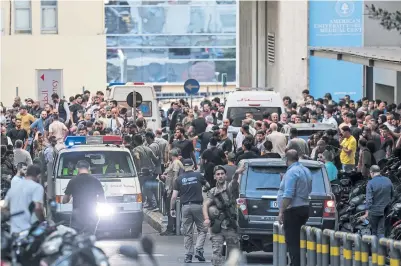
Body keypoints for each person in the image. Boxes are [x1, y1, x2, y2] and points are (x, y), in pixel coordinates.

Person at [278, 150, 312, 266]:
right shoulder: (305, 170)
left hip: (293, 210)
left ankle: (295, 264)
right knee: (297, 240)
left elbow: (288, 195)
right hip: (304, 207)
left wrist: (281, 211)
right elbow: (309, 188)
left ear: (287, 160)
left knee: (292, 242)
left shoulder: (292, 172)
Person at [171, 159, 208, 263]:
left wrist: (172, 209)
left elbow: (174, 197)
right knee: (202, 229)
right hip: (197, 206)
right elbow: (208, 186)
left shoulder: (178, 179)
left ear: (183, 166)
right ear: (193, 166)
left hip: (185, 207)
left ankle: (188, 255)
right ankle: (199, 249)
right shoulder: (198, 176)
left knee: (187, 232)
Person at [203, 165, 240, 266]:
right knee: (216, 253)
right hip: (217, 227)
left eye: (222, 174)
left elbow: (235, 181)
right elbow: (205, 205)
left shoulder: (230, 187)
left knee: (233, 254)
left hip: (231, 226)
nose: (220, 176)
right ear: (215, 177)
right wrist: (206, 218)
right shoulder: (212, 191)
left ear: (226, 175)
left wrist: (237, 173)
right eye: (218, 174)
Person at [62, 160, 105, 233]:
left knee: (76, 238)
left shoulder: (73, 181)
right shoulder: (96, 181)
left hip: (77, 214)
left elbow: (65, 200)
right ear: (89, 168)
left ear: (77, 168)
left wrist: (71, 197)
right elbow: (102, 200)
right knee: (89, 238)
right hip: (92, 213)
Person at [3, 164, 45, 233]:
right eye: (39, 177)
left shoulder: (14, 188)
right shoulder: (37, 187)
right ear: (38, 176)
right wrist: (43, 222)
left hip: (14, 230)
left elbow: (5, 208)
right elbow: (38, 208)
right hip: (29, 229)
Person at [360, 165, 393, 238]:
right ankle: (383, 247)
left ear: (372, 173)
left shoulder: (371, 183)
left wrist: (366, 213)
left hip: (375, 211)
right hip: (386, 210)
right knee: (382, 230)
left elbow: (369, 200)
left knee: (374, 231)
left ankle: (376, 248)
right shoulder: (388, 180)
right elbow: (392, 195)